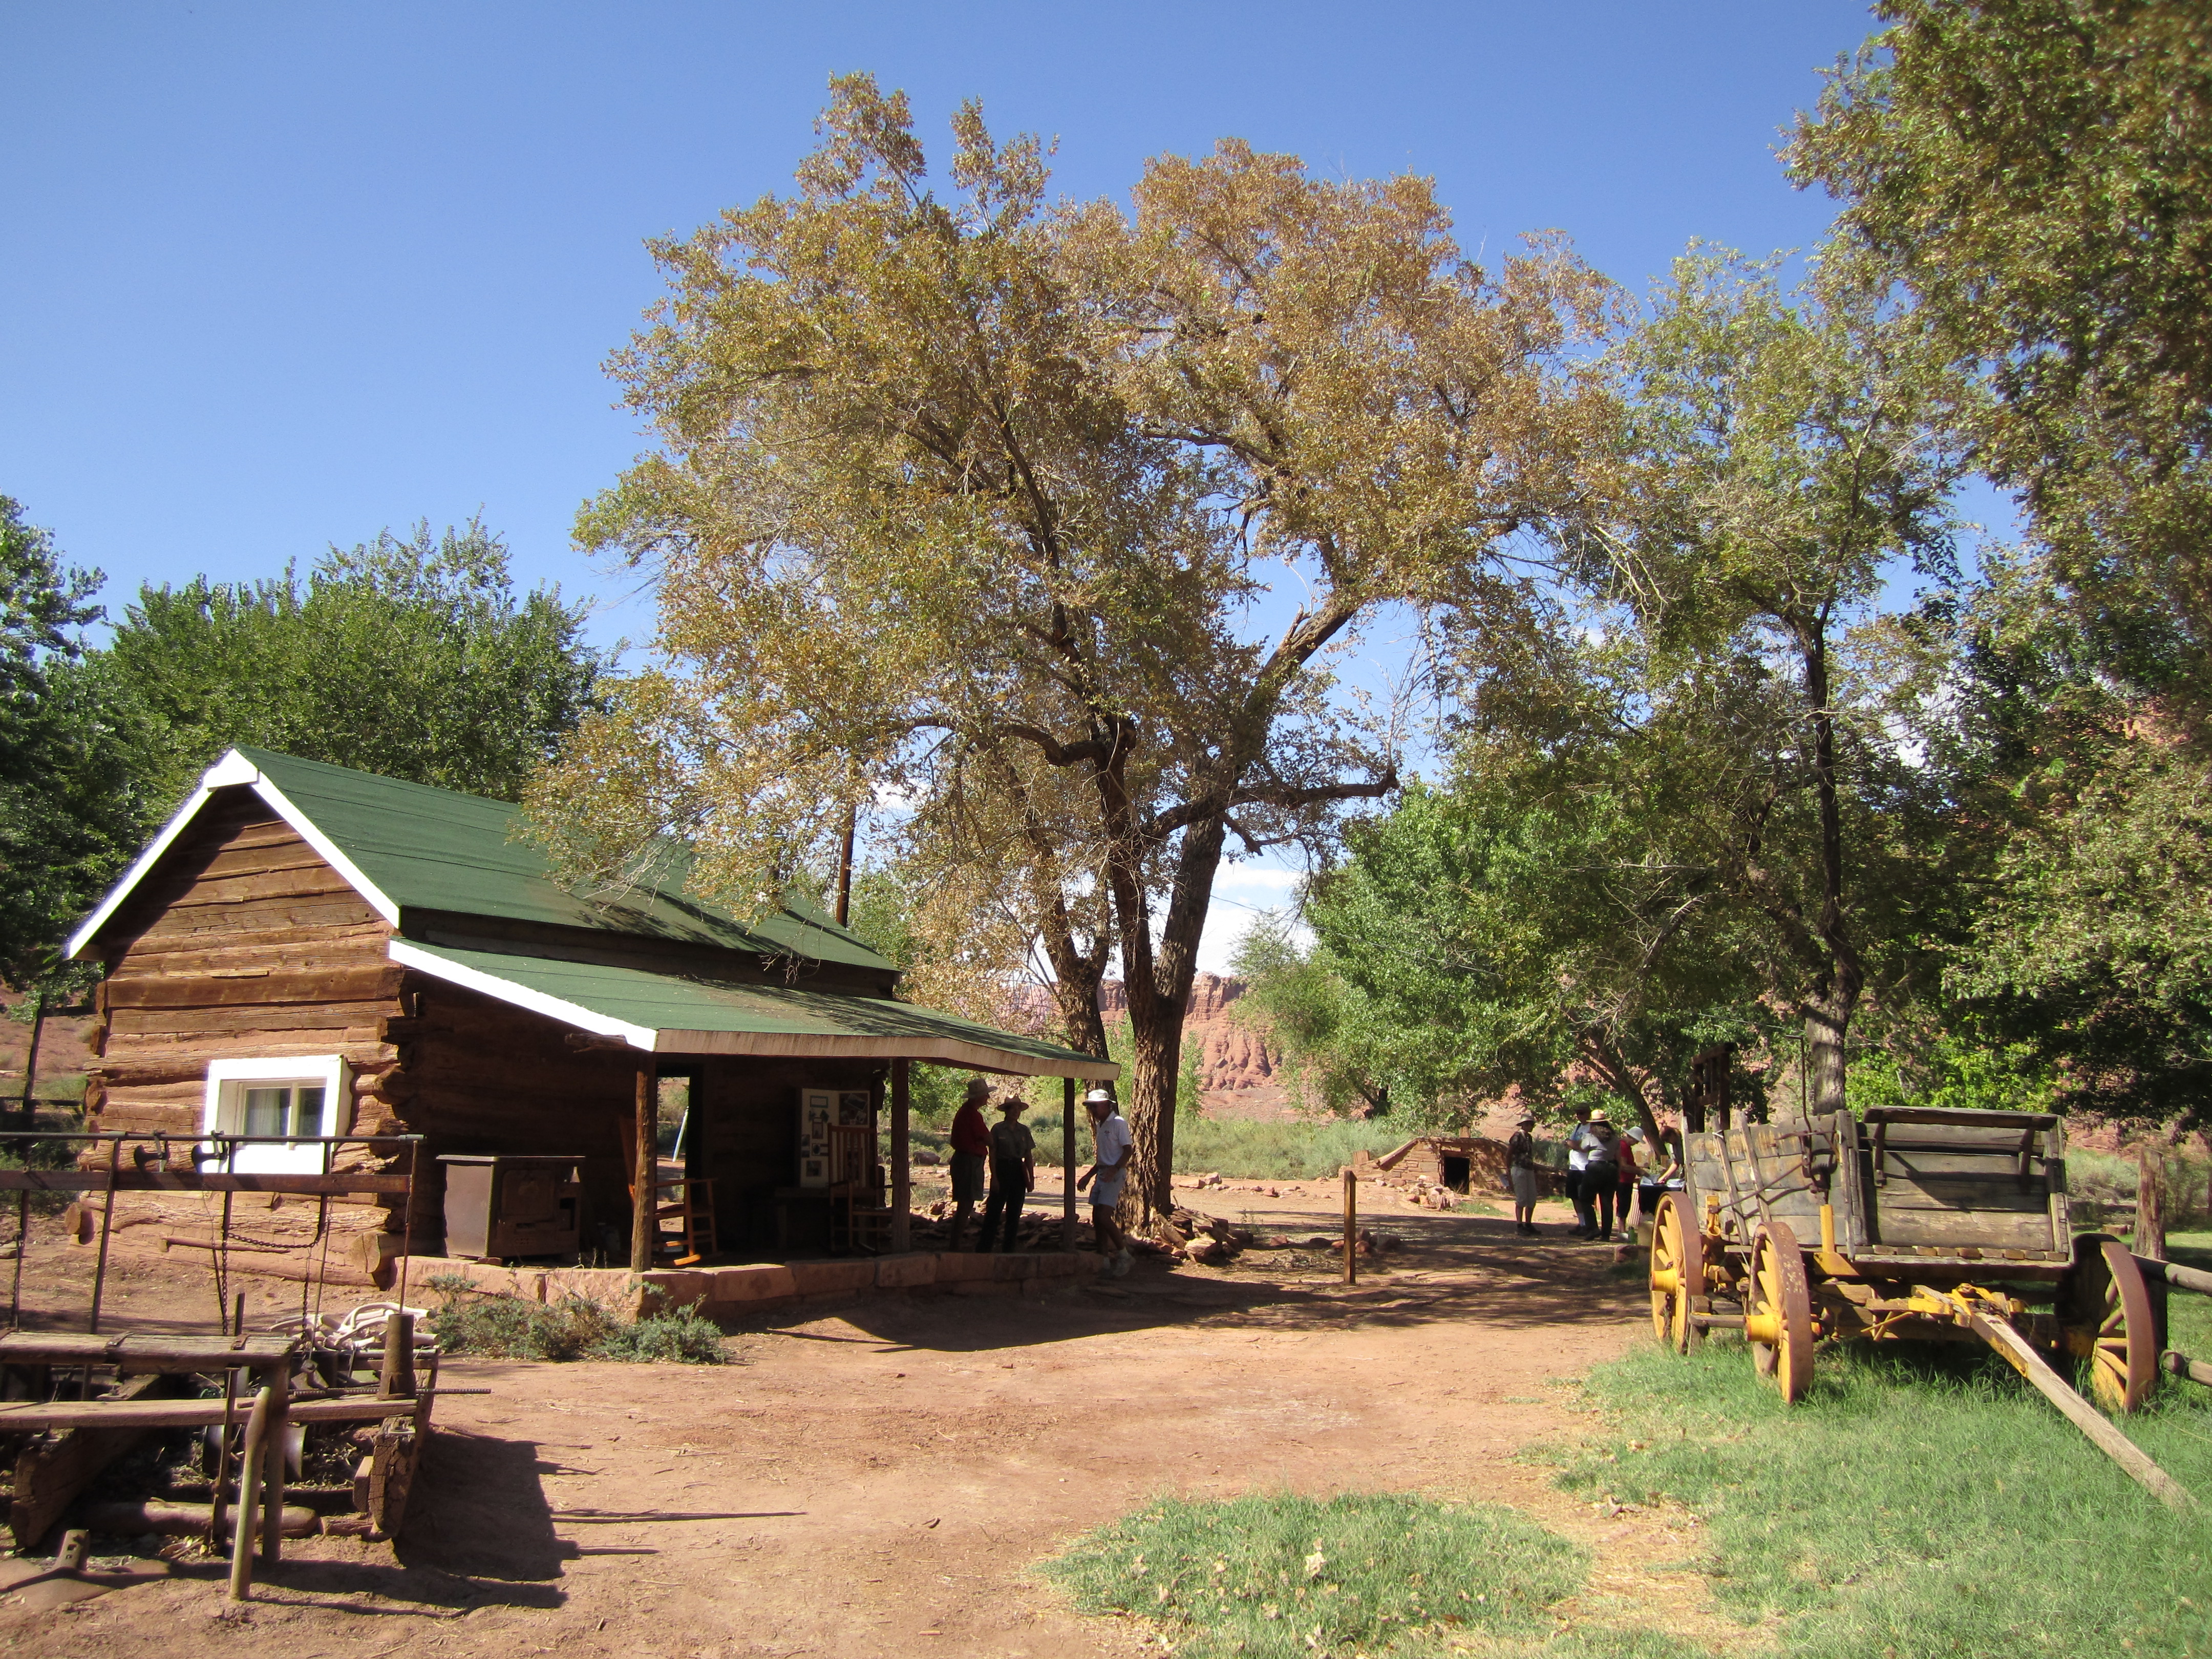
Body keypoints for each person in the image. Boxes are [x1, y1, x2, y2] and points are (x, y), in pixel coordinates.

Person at [1075, 1088, 1133, 1277]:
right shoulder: (1101, 1125)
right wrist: (1090, 1175)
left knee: (1103, 1216)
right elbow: (1102, 1158)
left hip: (1113, 1174)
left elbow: (1127, 1151)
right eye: (1091, 1107)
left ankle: (1124, 1255)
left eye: (1096, 1107)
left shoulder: (1118, 1124)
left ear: (1107, 1106)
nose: (1093, 1111)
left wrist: (1114, 1170)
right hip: (1102, 1173)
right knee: (1097, 1218)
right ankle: (1104, 1259)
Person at [981, 1094, 1036, 1253]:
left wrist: (1031, 1179)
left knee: (1015, 1210)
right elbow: (993, 1154)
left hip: (1018, 1171)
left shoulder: (1024, 1130)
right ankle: (985, 1248)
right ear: (1007, 1111)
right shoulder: (998, 1129)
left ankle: (1009, 1249)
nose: (1016, 1111)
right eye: (1013, 1108)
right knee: (994, 1210)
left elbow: (1028, 1156)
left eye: (1019, 1108)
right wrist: (994, 1177)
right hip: (1002, 1169)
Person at [947, 1076, 991, 1251]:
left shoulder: (965, 1113)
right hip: (969, 1161)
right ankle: (955, 1245)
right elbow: (989, 1139)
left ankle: (955, 1243)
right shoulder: (972, 1115)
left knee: (965, 1202)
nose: (987, 1098)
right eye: (985, 1095)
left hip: (966, 1159)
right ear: (978, 1097)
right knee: (966, 1203)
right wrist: (983, 1143)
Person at [1583, 1113, 1621, 1242]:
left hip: (1595, 1168)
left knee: (1586, 1199)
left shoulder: (1590, 1137)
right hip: (1611, 1168)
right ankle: (1606, 1234)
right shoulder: (1615, 1138)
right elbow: (1617, 1155)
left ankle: (1593, 1228)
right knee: (1607, 1202)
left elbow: (1583, 1148)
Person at [1565, 1103, 1599, 1237]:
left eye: (1582, 1113)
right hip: (1574, 1166)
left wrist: (1570, 1143)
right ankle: (1582, 1223)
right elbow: (1573, 1142)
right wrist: (1570, 1144)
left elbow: (1582, 1146)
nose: (1579, 1116)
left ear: (1588, 1114)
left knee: (1584, 1197)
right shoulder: (1578, 1126)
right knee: (1574, 1196)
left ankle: (1590, 1225)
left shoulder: (1591, 1129)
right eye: (1577, 1113)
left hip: (1584, 1167)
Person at [1505, 1111, 1540, 1236]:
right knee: (1521, 1198)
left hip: (1529, 1169)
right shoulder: (1517, 1136)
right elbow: (1509, 1153)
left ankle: (1528, 1224)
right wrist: (1508, 1169)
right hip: (1519, 1168)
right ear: (1524, 1125)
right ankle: (1519, 1225)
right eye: (1530, 1124)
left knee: (1532, 1197)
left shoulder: (1529, 1137)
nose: (1532, 1127)